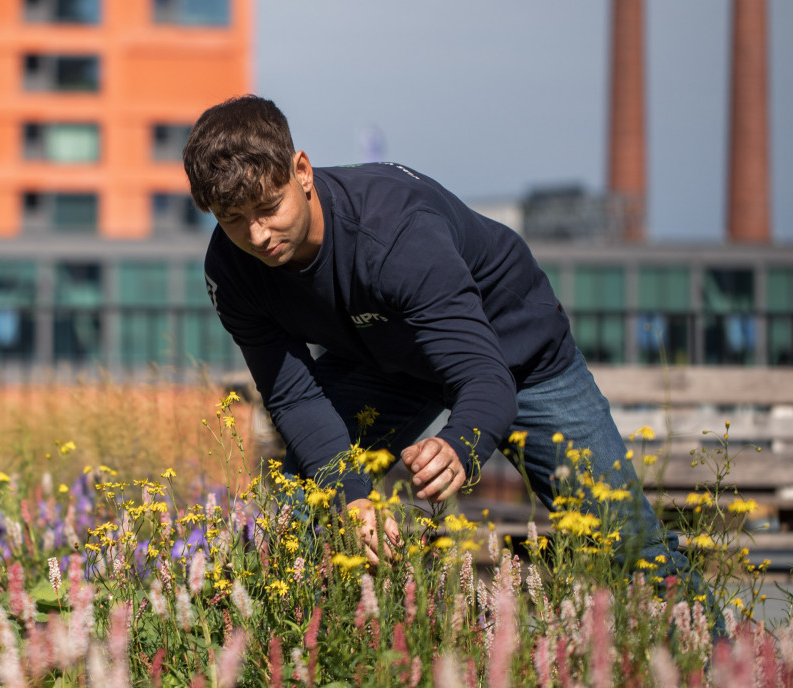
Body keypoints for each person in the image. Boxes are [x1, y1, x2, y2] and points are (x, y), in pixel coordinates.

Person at [182, 94, 695, 586]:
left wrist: (459, 445)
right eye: (233, 220)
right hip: (386, 360)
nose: (257, 236)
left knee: (629, 548)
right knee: (307, 507)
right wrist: (351, 498)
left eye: (269, 208)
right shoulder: (232, 270)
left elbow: (484, 376)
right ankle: (326, 661)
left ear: (302, 171)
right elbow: (293, 394)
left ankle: (732, 665)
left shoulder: (395, 233)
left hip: (509, 349)